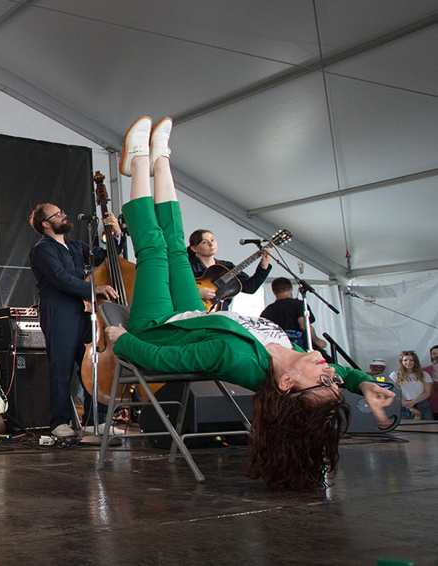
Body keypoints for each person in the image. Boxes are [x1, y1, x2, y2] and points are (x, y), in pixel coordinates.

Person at [104, 115, 395, 490]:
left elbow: (164, 360)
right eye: (334, 382)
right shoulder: (294, 359)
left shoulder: (238, 360)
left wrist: (121, 339)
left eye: (324, 382)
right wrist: (365, 383)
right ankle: (162, 160)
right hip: (193, 316)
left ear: (287, 383)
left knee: (155, 249)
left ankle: (139, 161)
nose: (332, 376)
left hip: (159, 328)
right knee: (178, 247)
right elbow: (341, 375)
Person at [29, 203, 124, 438]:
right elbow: (61, 279)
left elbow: (108, 259)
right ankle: (59, 422)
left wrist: (117, 235)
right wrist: (96, 288)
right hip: (59, 311)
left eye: (63, 211)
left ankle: (96, 420)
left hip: (83, 311)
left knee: (94, 365)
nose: (64, 215)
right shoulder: (42, 250)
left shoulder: (75, 246)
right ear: (46, 223)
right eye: (58, 214)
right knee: (61, 368)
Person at [189, 229, 271, 311]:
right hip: (192, 311)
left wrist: (264, 265)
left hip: (220, 314)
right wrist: (197, 292)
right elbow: (177, 289)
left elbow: (250, 287)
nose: (211, 244)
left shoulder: (226, 266)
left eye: (212, 240)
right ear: (194, 248)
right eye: (204, 242)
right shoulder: (188, 266)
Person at [260, 277, 327, 351]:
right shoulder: (300, 305)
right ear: (291, 289)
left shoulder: (267, 311)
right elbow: (304, 326)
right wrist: (317, 341)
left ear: (273, 291)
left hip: (279, 351)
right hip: (299, 349)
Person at [389, 351, 433, 420]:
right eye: (405, 360)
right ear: (401, 362)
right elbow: (395, 393)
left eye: (411, 360)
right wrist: (409, 407)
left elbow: (427, 393)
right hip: (403, 405)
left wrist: (412, 402)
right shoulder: (395, 375)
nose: (408, 362)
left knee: (427, 427)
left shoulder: (424, 374)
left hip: (422, 404)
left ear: (415, 362)